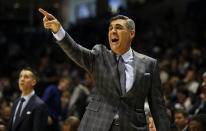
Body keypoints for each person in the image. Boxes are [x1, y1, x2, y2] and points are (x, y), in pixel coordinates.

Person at [39, 8, 170, 131]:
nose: (113, 31)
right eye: (110, 28)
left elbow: (158, 106)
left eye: (118, 28)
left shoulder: (149, 64)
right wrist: (58, 30)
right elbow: (75, 51)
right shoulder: (100, 55)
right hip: (97, 124)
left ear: (131, 34)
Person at [7, 66, 48, 131]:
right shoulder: (15, 103)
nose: (22, 79)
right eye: (20, 76)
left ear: (33, 82)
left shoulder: (39, 105)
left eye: (26, 77)